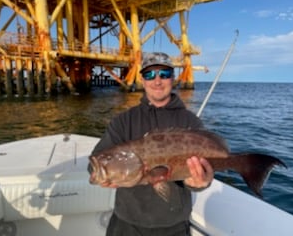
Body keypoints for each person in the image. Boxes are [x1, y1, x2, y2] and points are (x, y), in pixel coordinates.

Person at [90, 52, 214, 236]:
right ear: (142, 79)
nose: (157, 81)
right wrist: (101, 173)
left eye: (164, 74)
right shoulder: (124, 121)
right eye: (149, 75)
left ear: (173, 78)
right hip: (126, 223)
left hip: (174, 226)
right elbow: (96, 160)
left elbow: (202, 175)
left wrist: (200, 183)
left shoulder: (190, 122)